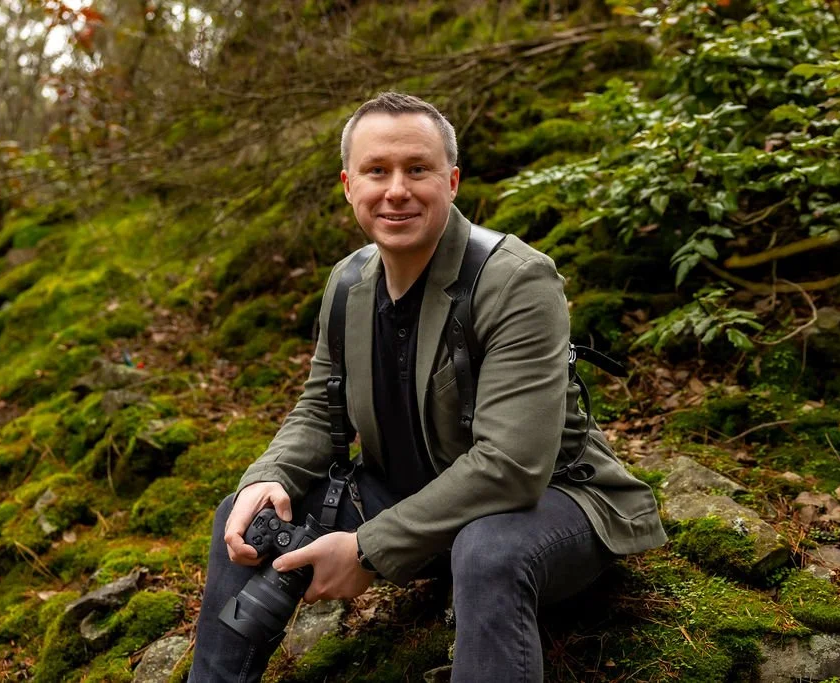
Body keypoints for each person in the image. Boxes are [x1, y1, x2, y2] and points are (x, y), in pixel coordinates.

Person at [188, 92, 667, 683]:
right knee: (246, 510)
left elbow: (512, 467)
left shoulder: (517, 281)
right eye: (376, 171)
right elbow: (320, 408)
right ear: (347, 184)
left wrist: (366, 549)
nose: (396, 190)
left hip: (550, 504)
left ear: (452, 180)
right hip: (415, 496)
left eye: (418, 169)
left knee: (487, 551)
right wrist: (270, 475)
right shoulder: (347, 283)